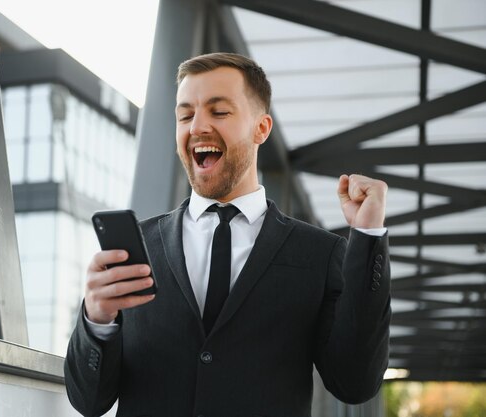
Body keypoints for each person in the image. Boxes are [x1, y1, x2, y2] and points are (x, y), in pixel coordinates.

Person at [64, 52, 390, 417]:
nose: (197, 127)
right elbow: (87, 401)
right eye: (185, 115)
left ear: (261, 129)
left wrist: (367, 235)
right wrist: (97, 320)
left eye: (219, 112)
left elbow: (355, 383)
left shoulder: (320, 254)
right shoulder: (140, 248)